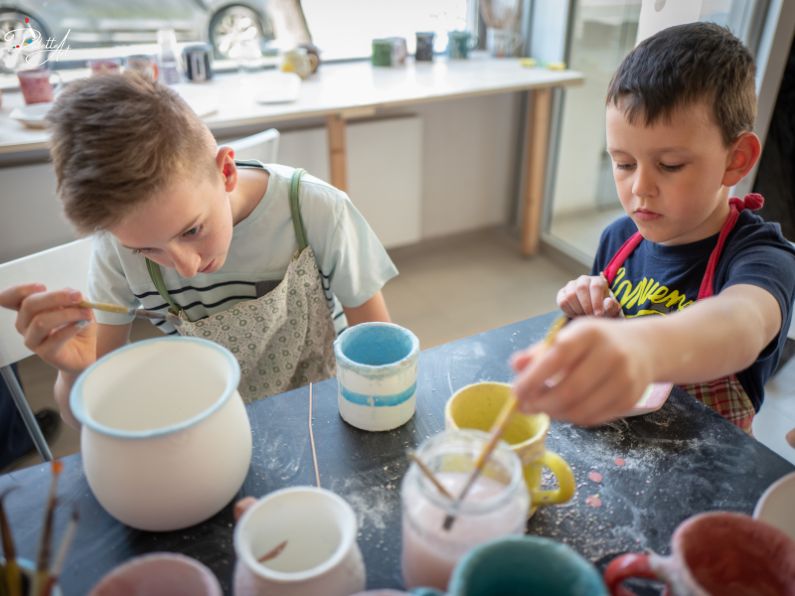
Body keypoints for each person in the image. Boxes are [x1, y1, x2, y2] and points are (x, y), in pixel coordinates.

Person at [1, 74, 397, 429]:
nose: (187, 268)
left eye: (192, 230)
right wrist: (75, 374)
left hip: (329, 405)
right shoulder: (114, 251)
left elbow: (382, 356)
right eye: (146, 251)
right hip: (212, 420)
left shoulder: (314, 209)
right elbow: (86, 420)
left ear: (225, 171)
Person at [511, 23, 795, 433]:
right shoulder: (618, 238)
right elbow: (605, 332)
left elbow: (741, 324)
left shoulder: (761, 255)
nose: (640, 188)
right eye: (624, 163)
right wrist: (588, 311)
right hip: (616, 443)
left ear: (736, 159)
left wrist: (643, 346)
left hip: (705, 468)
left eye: (670, 165)